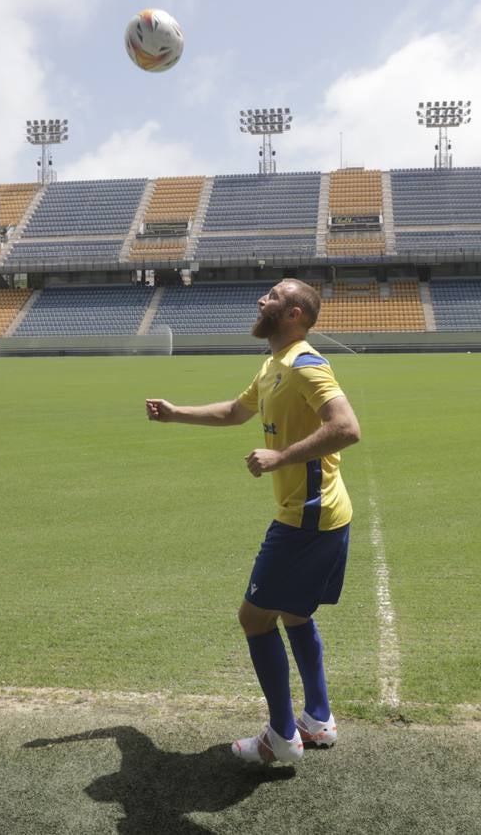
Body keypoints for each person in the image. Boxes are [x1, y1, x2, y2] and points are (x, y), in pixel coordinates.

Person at [145, 278, 361, 764]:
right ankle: (318, 721)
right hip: (322, 513)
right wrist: (175, 413)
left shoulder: (305, 364)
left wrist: (281, 456)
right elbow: (233, 412)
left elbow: (346, 428)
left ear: (295, 316)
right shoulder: (272, 365)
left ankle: (281, 739)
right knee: (295, 613)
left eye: (274, 297)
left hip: (306, 517)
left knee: (253, 617)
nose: (261, 300)